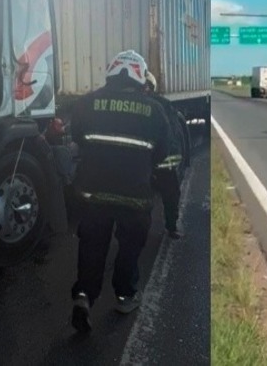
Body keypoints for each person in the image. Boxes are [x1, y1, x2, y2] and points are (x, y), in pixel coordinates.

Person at [69, 49, 182, 334]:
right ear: (139, 76)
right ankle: (124, 296)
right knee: (129, 248)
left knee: (92, 246)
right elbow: (163, 152)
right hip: (135, 195)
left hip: (92, 193)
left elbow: (78, 139)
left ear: (112, 73)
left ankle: (84, 295)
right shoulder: (154, 110)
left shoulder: (86, 103)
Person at [144, 70, 189, 239]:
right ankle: (172, 227)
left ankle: (146, 227)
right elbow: (172, 135)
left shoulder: (132, 104)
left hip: (140, 163)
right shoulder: (163, 104)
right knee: (171, 194)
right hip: (161, 162)